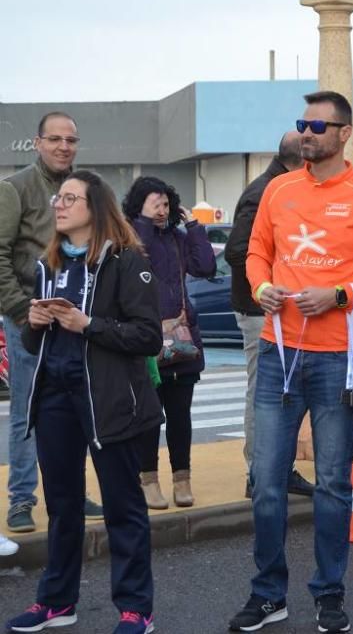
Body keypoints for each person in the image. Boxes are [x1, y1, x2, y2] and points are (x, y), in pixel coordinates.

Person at [228, 91, 353, 633]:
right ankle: (268, 593)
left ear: (344, 134)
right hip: (279, 351)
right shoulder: (278, 189)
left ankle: (329, 592)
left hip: (336, 358)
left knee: (332, 482)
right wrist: (261, 286)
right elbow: (256, 252)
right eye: (302, 124)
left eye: (317, 126)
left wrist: (340, 296)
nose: (306, 133)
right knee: (266, 481)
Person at [4, 170, 161, 634]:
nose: (59, 204)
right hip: (54, 395)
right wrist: (35, 321)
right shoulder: (47, 264)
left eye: (70, 198)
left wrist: (87, 324)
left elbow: (148, 336)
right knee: (62, 505)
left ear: (95, 207)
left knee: (122, 505)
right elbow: (34, 345)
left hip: (108, 400)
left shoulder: (128, 260)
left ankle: (136, 610)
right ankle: (56, 602)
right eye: (58, 197)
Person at [0, 112, 104, 533]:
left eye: (71, 140)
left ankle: (72, 494)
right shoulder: (15, 189)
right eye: (55, 139)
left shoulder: (82, 190)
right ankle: (21, 499)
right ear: (37, 143)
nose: (64, 146)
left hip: (74, 320)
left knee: (74, 409)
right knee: (28, 410)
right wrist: (23, 312)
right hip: (31, 319)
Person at [224, 131, 314, 499]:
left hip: (277, 308)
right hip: (262, 308)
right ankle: (258, 473)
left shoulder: (282, 186)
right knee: (263, 390)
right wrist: (276, 278)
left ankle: (278, 468)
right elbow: (237, 251)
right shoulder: (265, 192)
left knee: (283, 391)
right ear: (302, 160)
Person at [123, 176, 216, 509]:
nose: (162, 211)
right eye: (154, 205)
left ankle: (182, 480)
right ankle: (148, 480)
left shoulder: (178, 237)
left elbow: (205, 266)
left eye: (165, 204)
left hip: (181, 336)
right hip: (145, 339)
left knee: (181, 415)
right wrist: (144, 222)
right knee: (149, 416)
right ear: (139, 207)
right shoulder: (130, 236)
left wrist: (193, 225)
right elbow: (137, 260)